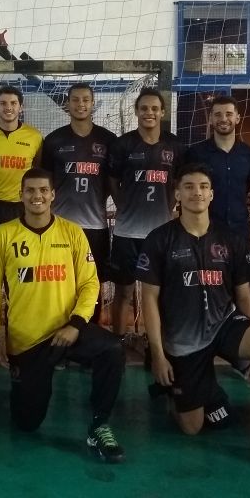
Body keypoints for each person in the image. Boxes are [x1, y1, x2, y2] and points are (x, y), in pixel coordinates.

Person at [137, 162, 250, 472]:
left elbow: (243, 295)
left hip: (224, 323)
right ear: (177, 194)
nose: (196, 192)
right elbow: (149, 299)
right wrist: (157, 354)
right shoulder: (160, 239)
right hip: (184, 339)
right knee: (193, 428)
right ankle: (185, 390)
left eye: (203, 187)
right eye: (188, 187)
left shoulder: (230, 239)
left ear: (211, 194)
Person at [0, 168, 125, 463]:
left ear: (52, 195)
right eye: (30, 190)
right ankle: (20, 389)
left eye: (43, 190)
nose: (37, 196)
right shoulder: (3, 234)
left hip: (67, 331)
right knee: (26, 423)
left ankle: (99, 425)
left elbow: (90, 283)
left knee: (112, 349)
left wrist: (76, 323)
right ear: (20, 195)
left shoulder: (72, 232)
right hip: (28, 341)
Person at [106, 89, 185, 338]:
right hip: (127, 232)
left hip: (161, 233)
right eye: (144, 108)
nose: (149, 113)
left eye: (154, 108)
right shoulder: (123, 144)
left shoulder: (175, 146)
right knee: (124, 292)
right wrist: (123, 206)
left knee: (161, 292)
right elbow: (112, 180)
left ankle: (157, 343)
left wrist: (169, 207)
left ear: (162, 112)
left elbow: (178, 183)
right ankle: (118, 342)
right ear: (136, 111)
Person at [40, 83, 116, 320]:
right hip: (60, 226)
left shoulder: (108, 140)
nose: (80, 104)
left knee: (93, 281)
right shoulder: (53, 140)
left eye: (85, 100)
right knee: (59, 280)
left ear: (93, 103)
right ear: (67, 104)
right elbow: (45, 183)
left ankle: (91, 329)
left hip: (95, 226)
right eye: (75, 100)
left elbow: (113, 182)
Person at [0, 85, 43, 249]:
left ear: (21, 107)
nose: (8, 107)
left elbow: (39, 173)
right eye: (3, 103)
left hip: (21, 207)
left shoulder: (34, 136)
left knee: (19, 257)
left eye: (13, 103)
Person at [185, 95, 250, 242]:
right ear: (211, 119)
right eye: (218, 114)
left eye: (229, 114)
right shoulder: (196, 153)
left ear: (237, 118)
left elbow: (247, 187)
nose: (223, 119)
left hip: (240, 232)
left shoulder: (249, 154)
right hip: (206, 233)